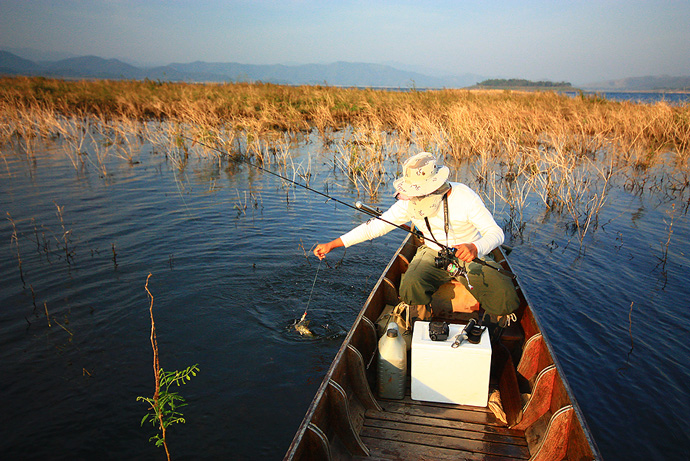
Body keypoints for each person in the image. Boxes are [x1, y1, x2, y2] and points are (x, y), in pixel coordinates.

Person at [314, 152, 519, 330]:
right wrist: (332, 244)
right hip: (431, 252)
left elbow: (496, 233)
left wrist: (476, 247)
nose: (415, 195)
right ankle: (419, 330)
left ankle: (490, 336)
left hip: (472, 254)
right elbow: (376, 227)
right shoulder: (409, 200)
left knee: (504, 296)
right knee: (410, 285)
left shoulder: (464, 197)